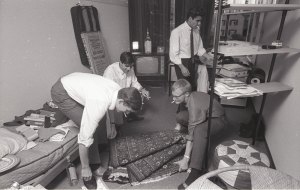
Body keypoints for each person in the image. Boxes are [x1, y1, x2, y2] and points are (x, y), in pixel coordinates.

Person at [50, 72, 142, 185]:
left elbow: (111, 105)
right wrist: (85, 168)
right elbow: (84, 138)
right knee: (91, 129)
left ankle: (98, 146)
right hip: (61, 92)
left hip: (71, 80)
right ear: (122, 101)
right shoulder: (99, 102)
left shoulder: (119, 91)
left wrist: (112, 123)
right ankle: (93, 166)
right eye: (127, 110)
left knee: (101, 117)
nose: (126, 114)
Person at [172, 79, 228, 189]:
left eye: (176, 96)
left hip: (218, 119)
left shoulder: (195, 107)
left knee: (199, 131)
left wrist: (186, 158)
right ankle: (197, 122)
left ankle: (195, 172)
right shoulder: (188, 97)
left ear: (187, 94)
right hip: (204, 113)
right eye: (173, 96)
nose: (174, 99)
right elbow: (185, 111)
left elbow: (191, 134)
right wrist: (179, 125)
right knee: (180, 117)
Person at [103, 52, 150, 135]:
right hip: (114, 96)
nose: (129, 69)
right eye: (127, 66)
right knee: (117, 118)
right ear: (120, 62)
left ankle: (131, 116)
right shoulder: (110, 71)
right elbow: (108, 91)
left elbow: (134, 82)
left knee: (136, 95)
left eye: (131, 66)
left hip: (125, 93)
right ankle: (116, 128)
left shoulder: (130, 69)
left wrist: (142, 89)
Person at [169, 6, 213, 92]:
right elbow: (173, 55)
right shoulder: (177, 32)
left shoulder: (196, 30)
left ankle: (191, 105)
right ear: (190, 18)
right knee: (184, 90)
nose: (199, 23)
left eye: (200, 21)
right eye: (197, 21)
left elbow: (199, 48)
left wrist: (209, 57)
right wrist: (182, 67)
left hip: (192, 61)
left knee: (192, 88)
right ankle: (182, 105)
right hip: (181, 62)